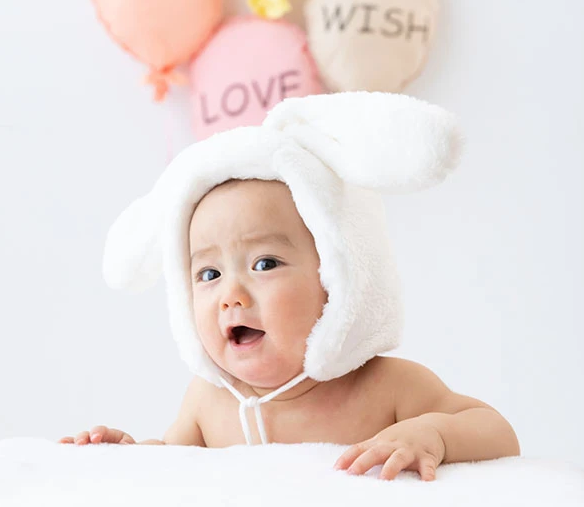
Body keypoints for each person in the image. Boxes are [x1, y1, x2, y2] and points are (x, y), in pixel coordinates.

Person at [60, 92, 520, 481]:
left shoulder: (388, 388)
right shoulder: (209, 402)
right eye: (209, 274)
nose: (231, 296)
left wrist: (433, 434)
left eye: (264, 264)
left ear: (338, 279)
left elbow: (495, 430)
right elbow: (174, 469)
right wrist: (130, 454)